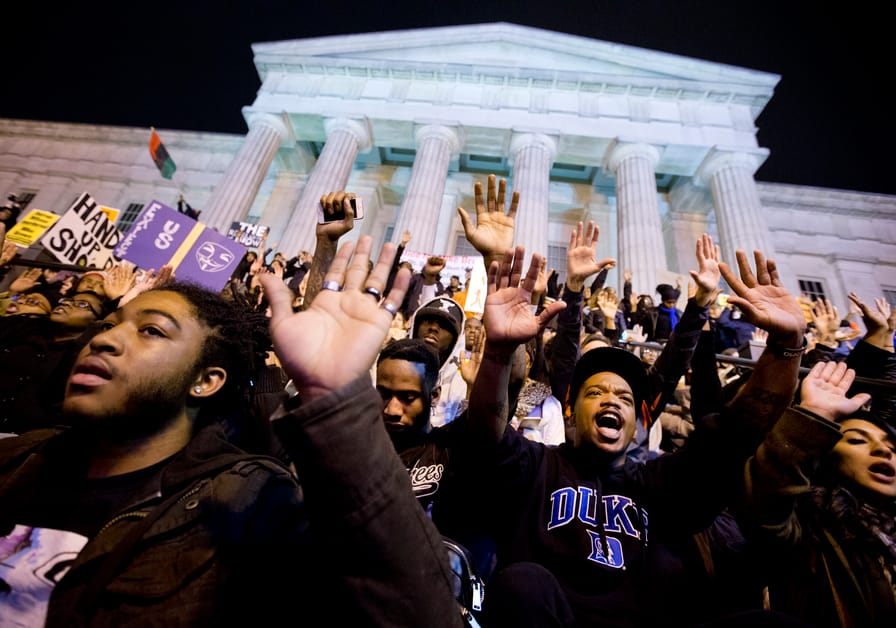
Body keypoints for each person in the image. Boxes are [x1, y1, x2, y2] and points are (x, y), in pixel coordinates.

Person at [0, 237, 463, 627]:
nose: (104, 338)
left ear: (207, 380)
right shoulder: (17, 458)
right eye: (109, 322)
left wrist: (337, 401)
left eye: (152, 332)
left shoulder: (248, 500)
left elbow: (416, 613)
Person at [465, 244, 808, 627]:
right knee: (522, 584)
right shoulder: (537, 464)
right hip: (552, 616)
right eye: (595, 393)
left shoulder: (659, 481)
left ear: (639, 419)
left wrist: (786, 347)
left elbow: (735, 433)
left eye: (625, 397)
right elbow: (485, 435)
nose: (611, 400)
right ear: (569, 411)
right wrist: (496, 353)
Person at [740, 359, 893, 627]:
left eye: (893, 446)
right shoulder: (808, 527)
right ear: (826, 457)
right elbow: (772, 490)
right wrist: (816, 412)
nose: (884, 450)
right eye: (857, 440)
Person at [407, 294, 468, 427]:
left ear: (455, 340)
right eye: (428, 320)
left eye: (444, 325)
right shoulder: (390, 367)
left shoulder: (460, 384)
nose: (433, 328)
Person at [400, 255, 449, 320]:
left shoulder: (439, 285)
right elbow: (404, 290)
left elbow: (438, 303)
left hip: (428, 317)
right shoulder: (417, 278)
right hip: (411, 314)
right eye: (433, 264)